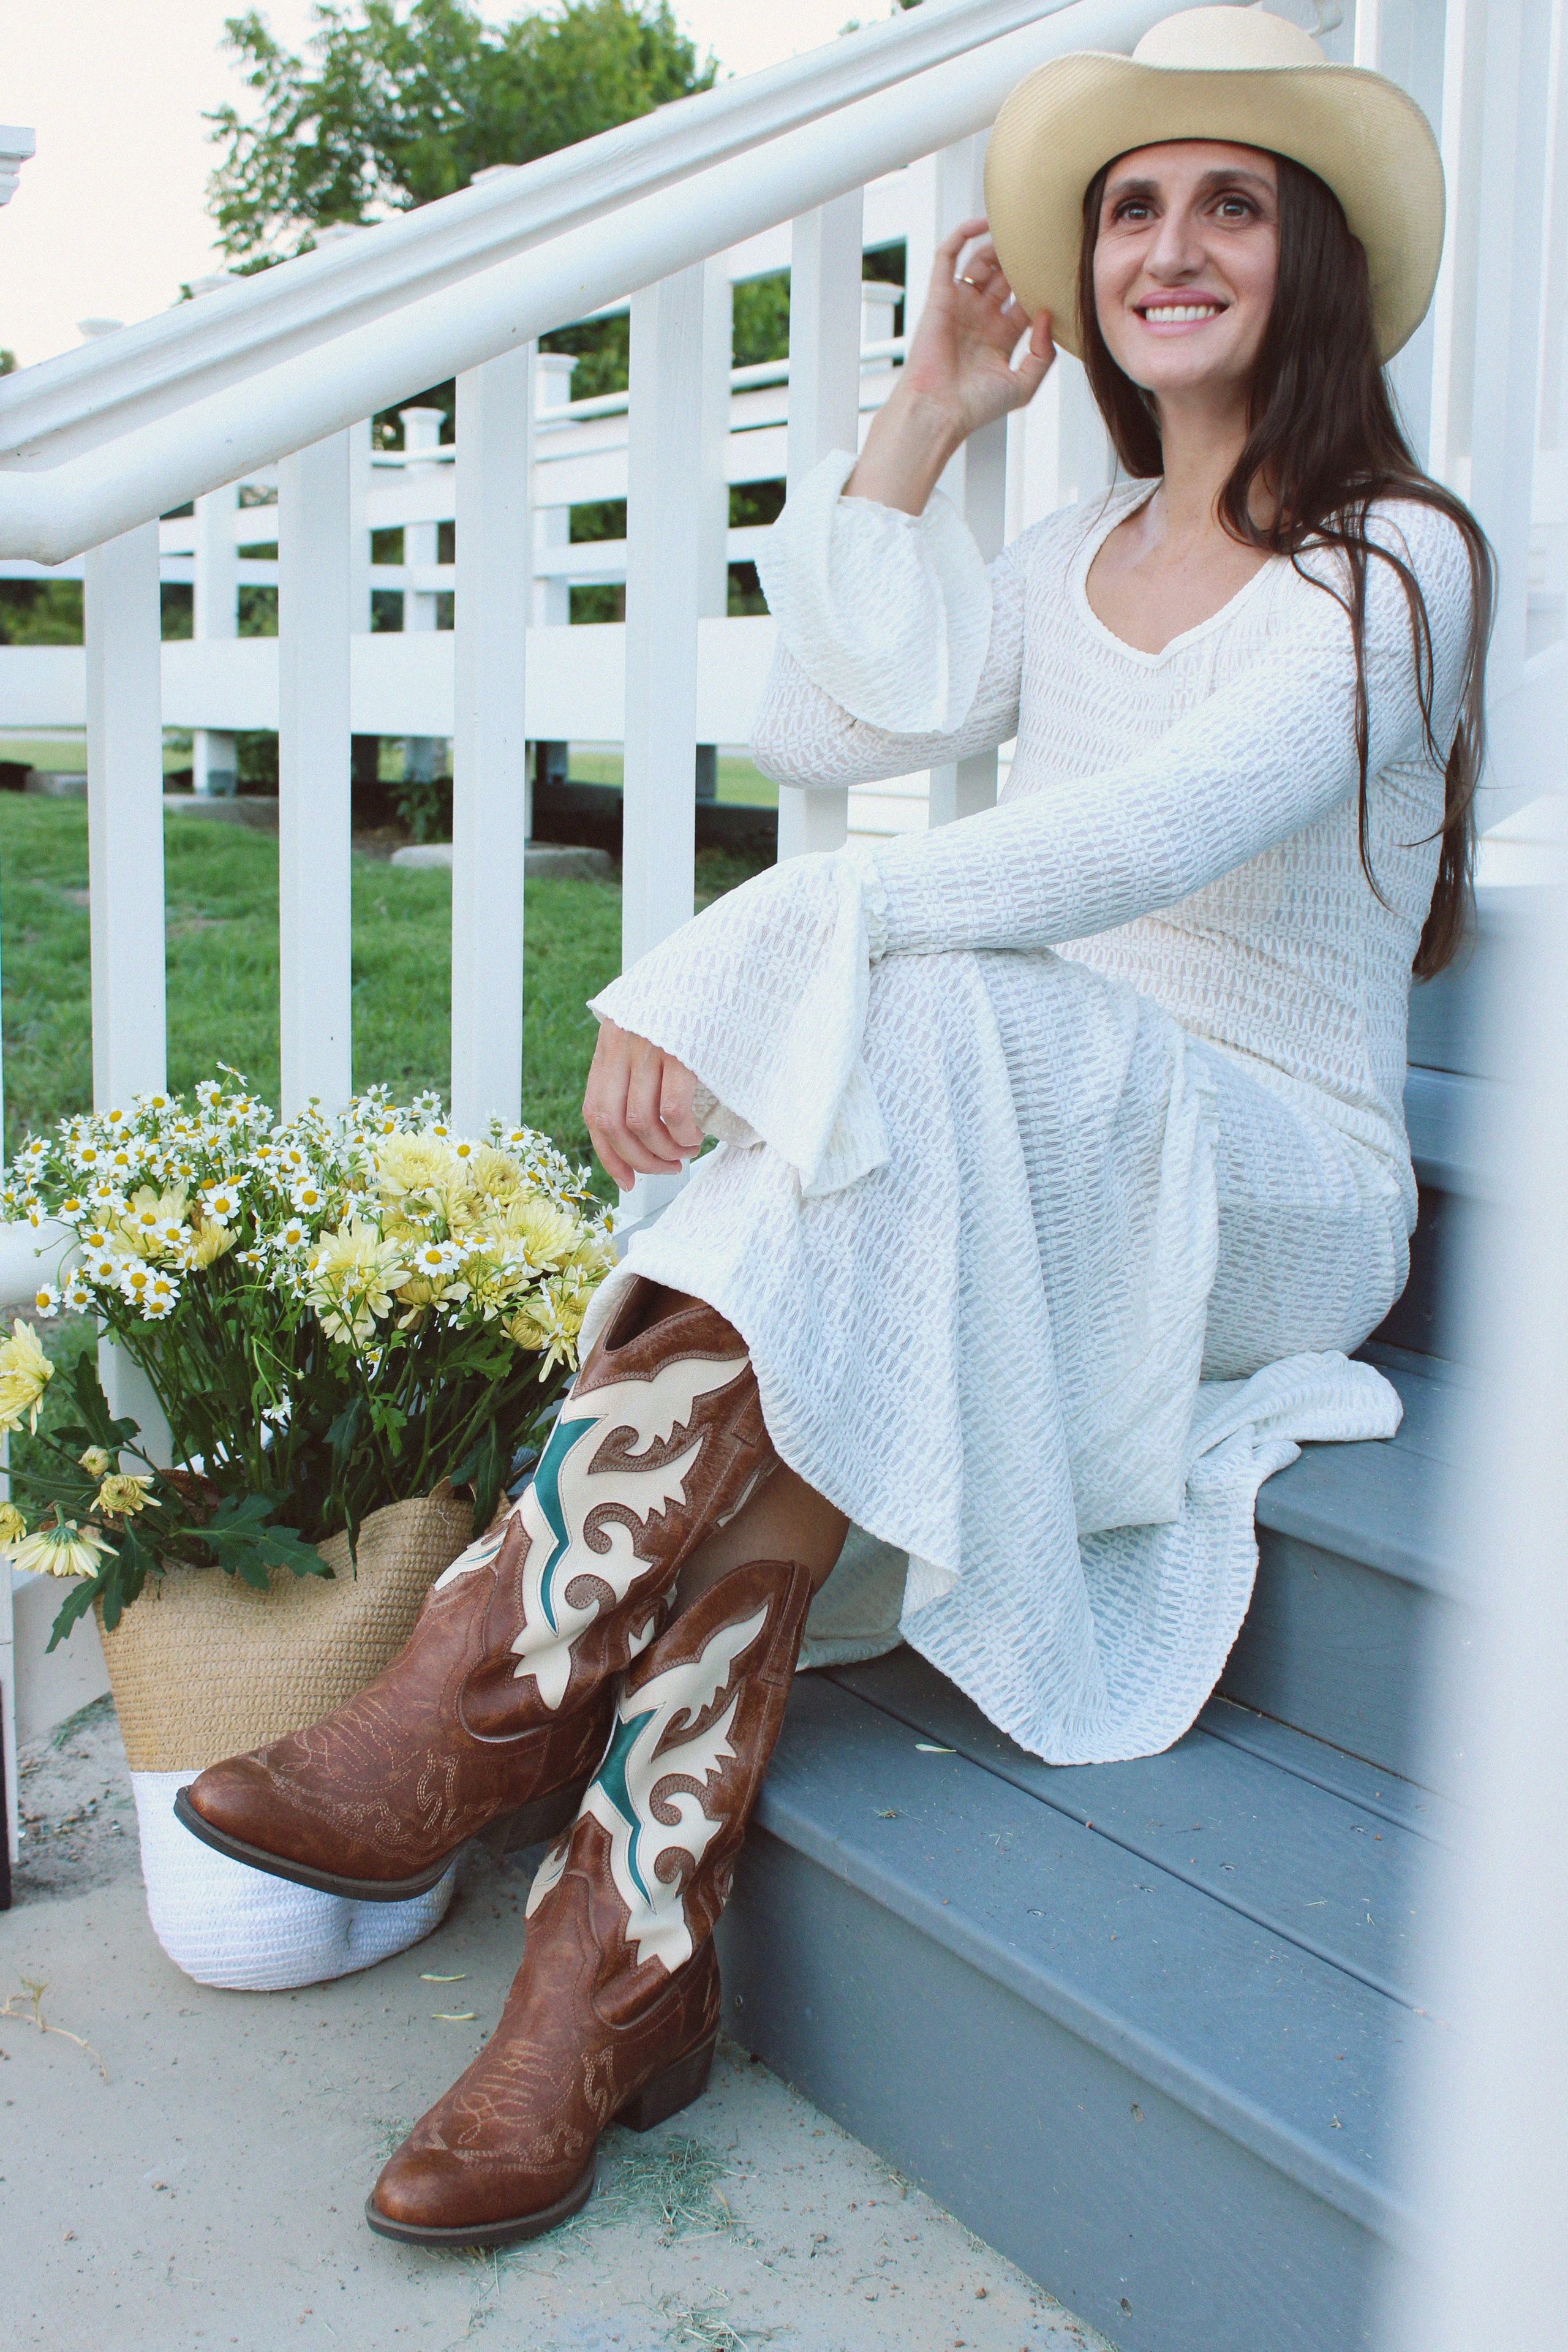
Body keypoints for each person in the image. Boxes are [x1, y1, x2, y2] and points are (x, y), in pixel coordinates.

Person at [178, 6, 1491, 2250]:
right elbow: (817, 718)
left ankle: (491, 1680)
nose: (1173, 246)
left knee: (930, 1041)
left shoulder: (1397, 565)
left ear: (1318, 262)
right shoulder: (1070, 545)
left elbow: (1140, 846)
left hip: (1274, 1183)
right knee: (890, 1173)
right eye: (1136, 208)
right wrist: (917, 423)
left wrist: (750, 959)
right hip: (1039, 1131)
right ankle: (614, 1968)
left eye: (1232, 205)